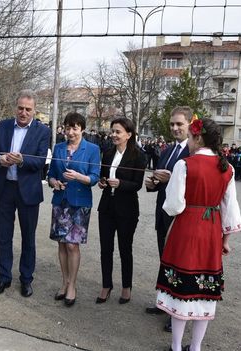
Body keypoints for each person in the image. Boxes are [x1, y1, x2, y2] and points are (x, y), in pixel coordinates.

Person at [155, 117, 241, 351]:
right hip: (211, 232)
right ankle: (195, 348)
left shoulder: (184, 165)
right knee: (204, 294)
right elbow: (230, 210)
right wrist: (225, 240)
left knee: (181, 292)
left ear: (197, 137)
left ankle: (175, 348)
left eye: (191, 137)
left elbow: (173, 205)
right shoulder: (228, 168)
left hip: (187, 229)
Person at [0, 89, 51, 297]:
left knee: (28, 238)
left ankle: (26, 279)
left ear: (34, 111)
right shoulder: (4, 126)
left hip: (28, 191)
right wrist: (0, 159)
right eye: (20, 108)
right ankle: (4, 277)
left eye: (28, 109)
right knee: (3, 236)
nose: (23, 112)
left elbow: (41, 161)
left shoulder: (43, 131)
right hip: (5, 187)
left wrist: (22, 159)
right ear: (16, 107)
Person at [144, 106, 192, 331]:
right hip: (162, 214)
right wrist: (152, 183)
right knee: (165, 260)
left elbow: (193, 186)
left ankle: (177, 313)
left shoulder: (193, 153)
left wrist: (171, 177)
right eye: (172, 124)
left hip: (180, 217)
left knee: (179, 264)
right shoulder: (166, 151)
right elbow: (160, 182)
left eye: (179, 124)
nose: (175, 128)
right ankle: (164, 304)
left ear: (190, 124)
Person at [48, 112, 100, 307]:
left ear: (82, 129)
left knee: (72, 245)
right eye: (67, 128)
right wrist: (55, 183)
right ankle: (64, 282)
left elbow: (94, 177)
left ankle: (73, 285)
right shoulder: (59, 147)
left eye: (75, 128)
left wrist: (78, 176)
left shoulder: (92, 149)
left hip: (80, 202)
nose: (70, 132)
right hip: (60, 200)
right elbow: (51, 174)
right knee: (61, 244)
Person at [96, 117, 147, 305]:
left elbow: (137, 184)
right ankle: (106, 285)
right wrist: (103, 182)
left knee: (125, 249)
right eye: (113, 131)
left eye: (118, 132)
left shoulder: (138, 155)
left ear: (129, 134)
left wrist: (121, 183)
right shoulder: (108, 153)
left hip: (127, 209)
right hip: (107, 207)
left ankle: (126, 286)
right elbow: (103, 175)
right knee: (105, 248)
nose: (114, 135)